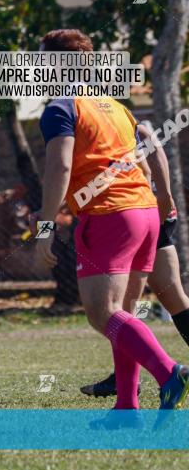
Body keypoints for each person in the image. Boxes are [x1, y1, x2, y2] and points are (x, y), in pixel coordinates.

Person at [35, 29, 188, 425]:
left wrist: (44, 224)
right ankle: (125, 409)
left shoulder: (60, 108)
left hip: (108, 217)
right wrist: (166, 200)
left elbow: (61, 166)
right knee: (125, 312)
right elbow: (149, 147)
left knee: (102, 314)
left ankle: (170, 373)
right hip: (144, 212)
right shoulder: (114, 106)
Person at [80, 123, 189, 397]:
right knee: (158, 297)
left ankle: (127, 383)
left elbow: (151, 156)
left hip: (141, 209)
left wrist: (163, 196)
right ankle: (124, 382)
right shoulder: (105, 127)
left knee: (126, 305)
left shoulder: (125, 124)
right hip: (143, 209)